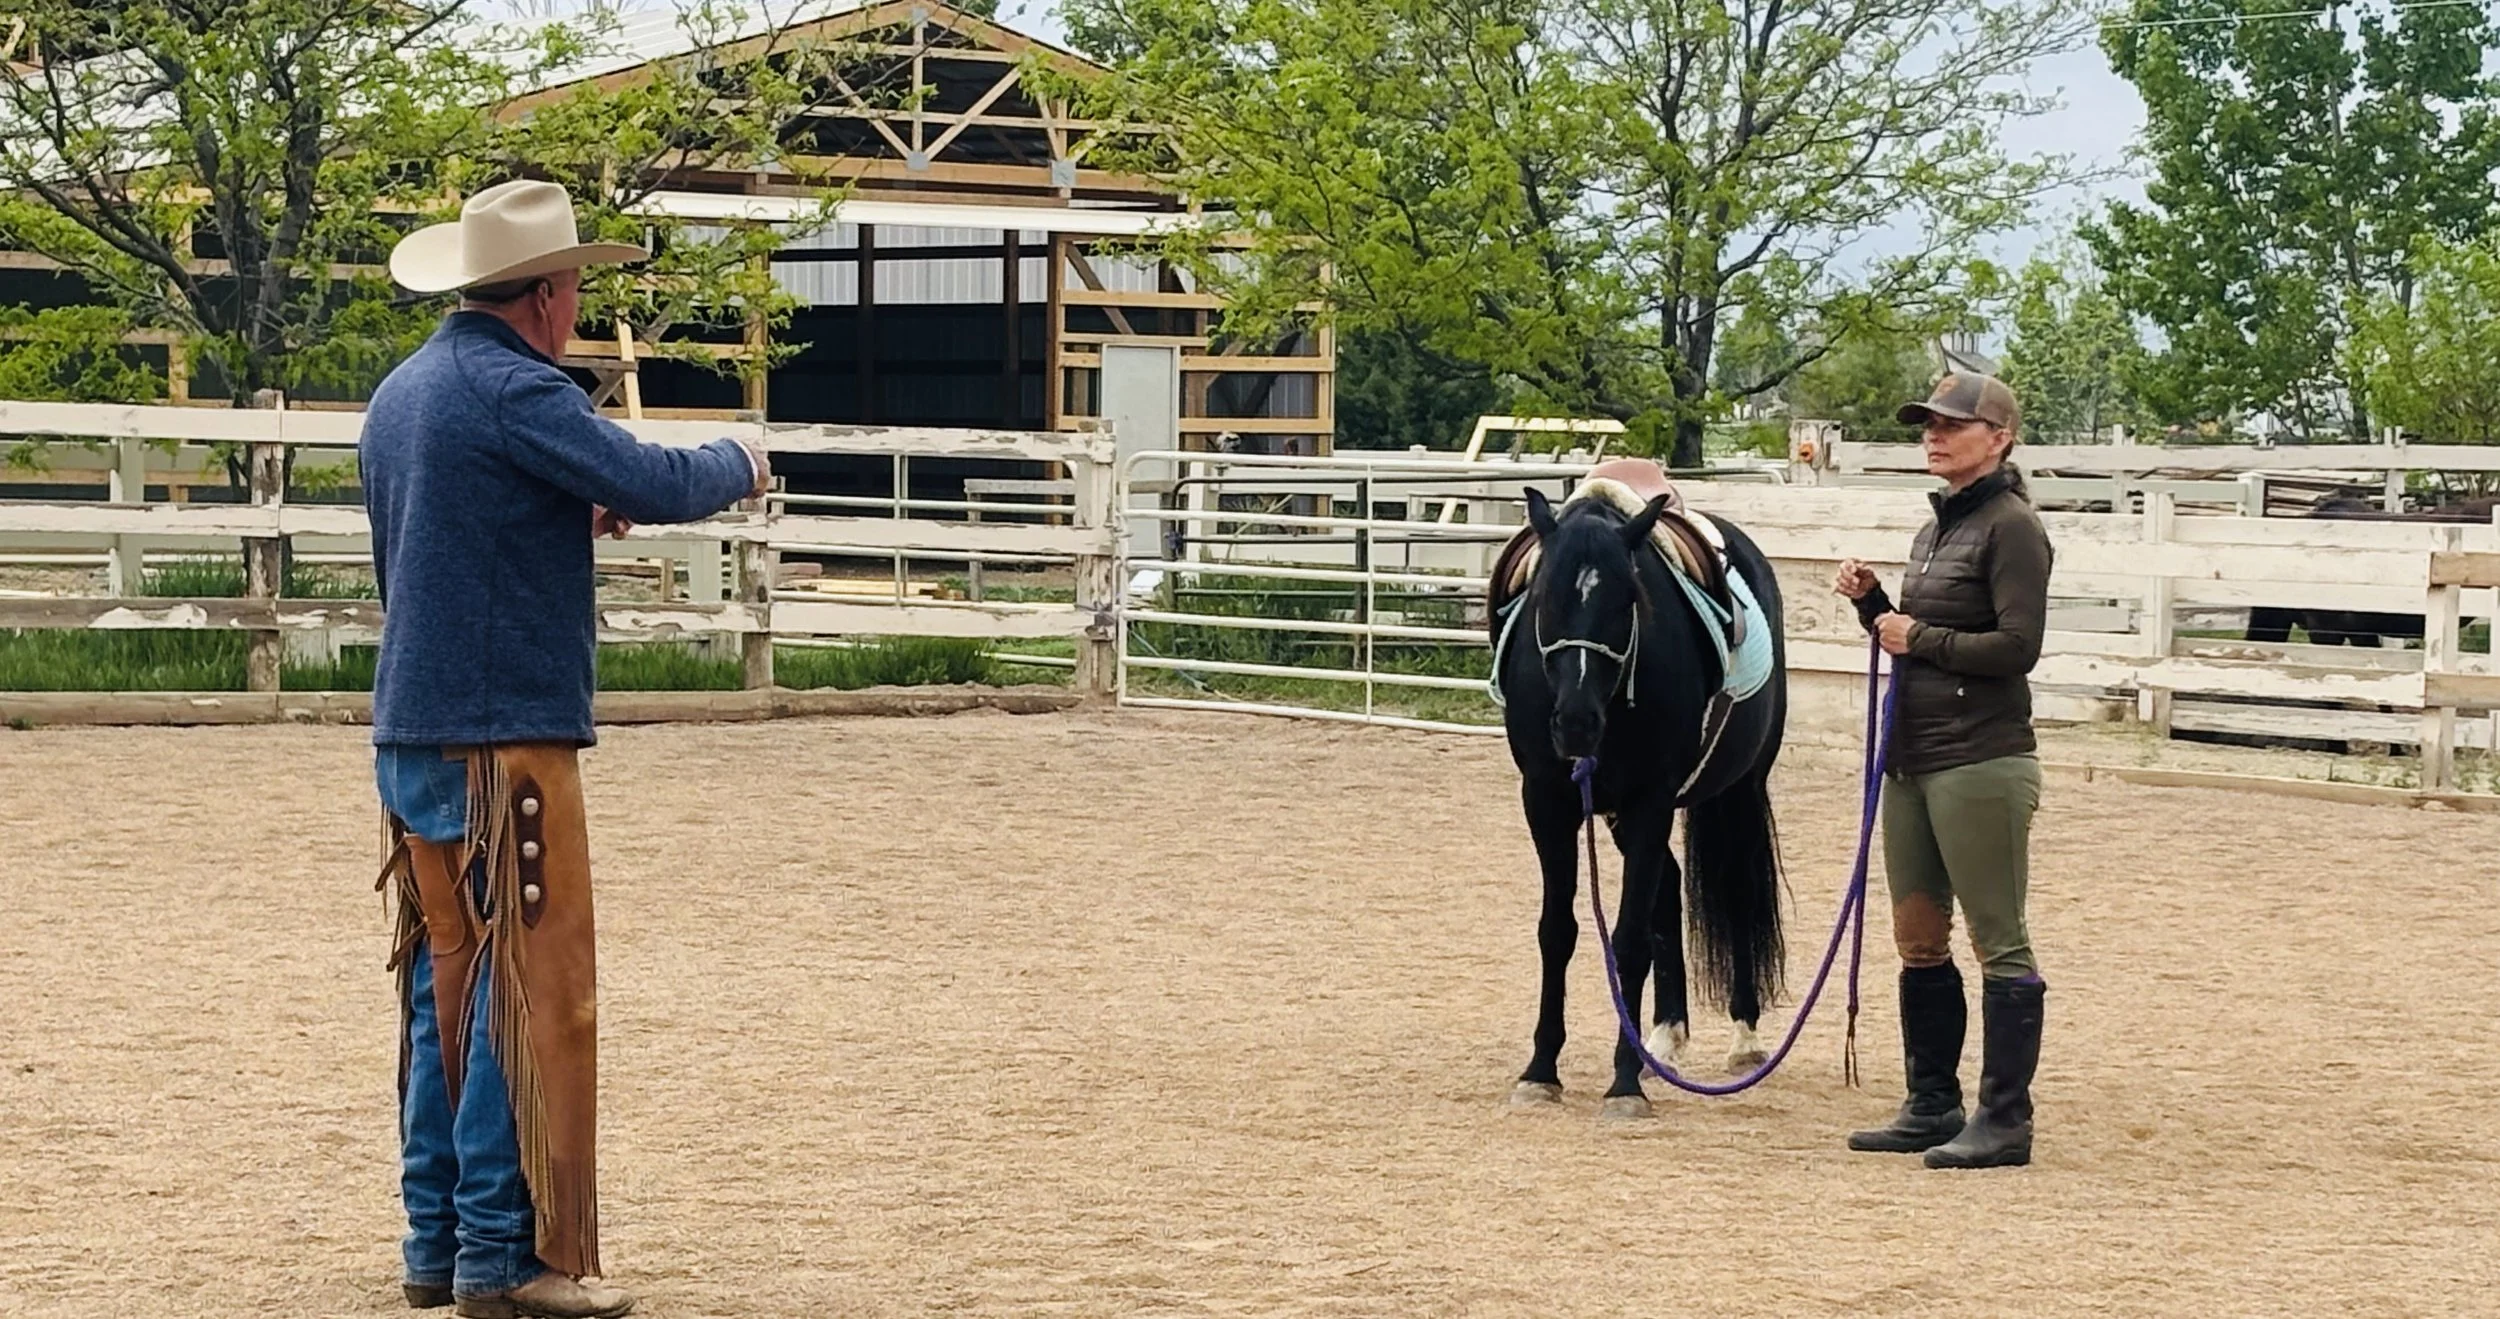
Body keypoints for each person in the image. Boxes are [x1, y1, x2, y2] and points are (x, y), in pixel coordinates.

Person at [364, 179, 769, 1317]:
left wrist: (555, 511)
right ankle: (504, 1252)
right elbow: (653, 479)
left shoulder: (403, 393)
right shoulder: (515, 387)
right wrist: (740, 456)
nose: (577, 306)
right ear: (545, 294)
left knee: (443, 983)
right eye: (575, 287)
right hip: (504, 740)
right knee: (523, 991)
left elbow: (449, 532)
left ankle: (436, 1237)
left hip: (415, 725)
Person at [1832, 372, 2052, 1170]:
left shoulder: (2012, 528)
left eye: (1953, 425)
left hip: (1981, 759)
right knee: (1919, 937)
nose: (1934, 435)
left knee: (2000, 940)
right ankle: (1932, 1101)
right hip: (1915, 759)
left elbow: (2018, 647)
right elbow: (1922, 632)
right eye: (1928, 424)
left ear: (1999, 438)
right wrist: (1874, 605)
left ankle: (2005, 1120)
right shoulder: (1938, 527)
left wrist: (1914, 636)